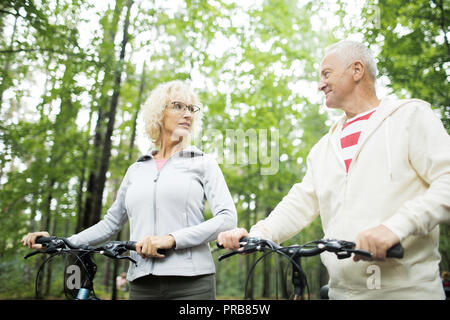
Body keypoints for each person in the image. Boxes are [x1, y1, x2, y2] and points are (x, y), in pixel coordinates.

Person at [218, 40, 450, 299]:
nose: (320, 84)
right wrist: (257, 235)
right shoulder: (322, 148)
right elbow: (300, 203)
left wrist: (397, 227)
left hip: (406, 291)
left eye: (326, 74)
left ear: (357, 70)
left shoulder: (410, 117)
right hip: (341, 293)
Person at [22, 80, 237, 300]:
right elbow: (110, 224)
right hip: (142, 284)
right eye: (178, 106)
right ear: (159, 113)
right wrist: (62, 243)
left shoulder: (203, 162)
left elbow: (227, 218)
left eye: (192, 109)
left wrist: (172, 239)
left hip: (193, 284)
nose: (188, 114)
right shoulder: (136, 169)